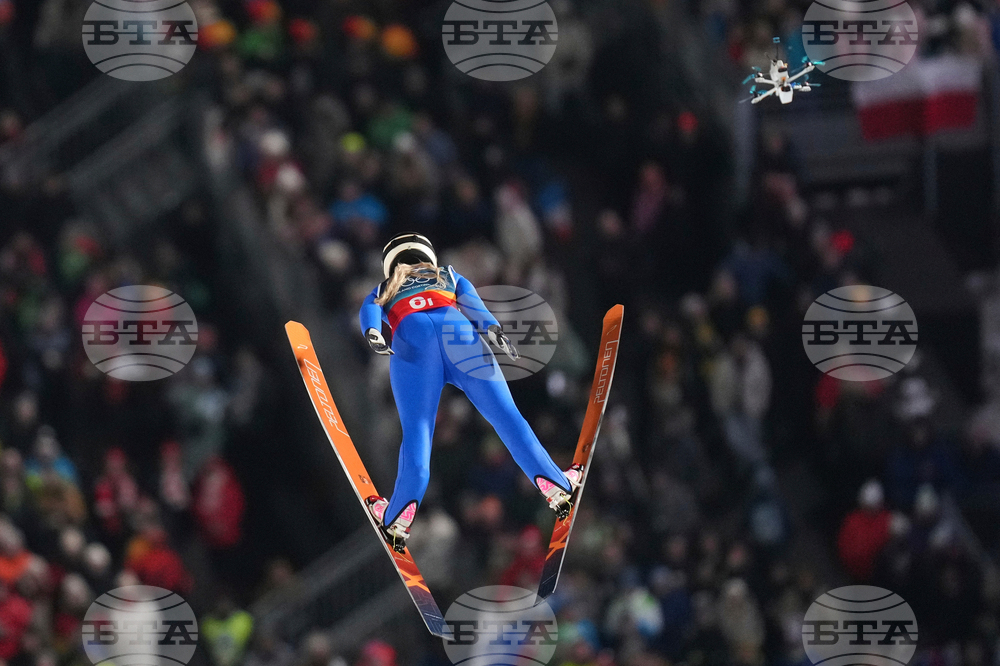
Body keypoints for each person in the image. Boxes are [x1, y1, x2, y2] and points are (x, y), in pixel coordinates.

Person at [358, 232, 581, 550]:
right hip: (458, 334)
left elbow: (369, 312)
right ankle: (554, 484)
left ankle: (399, 514)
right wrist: (494, 330)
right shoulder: (446, 274)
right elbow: (474, 305)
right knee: (506, 417)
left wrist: (373, 334)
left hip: (412, 340)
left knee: (418, 432)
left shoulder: (385, 287)